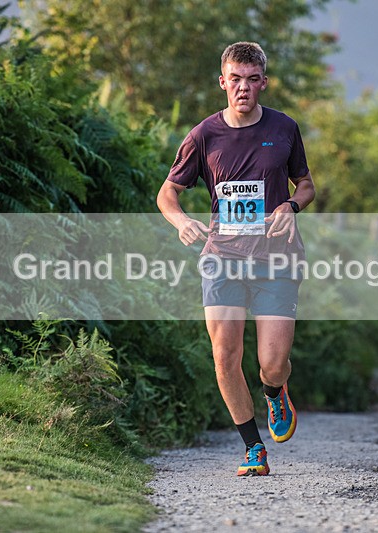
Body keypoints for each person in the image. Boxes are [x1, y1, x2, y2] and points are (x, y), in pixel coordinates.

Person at [156, 41, 315, 476]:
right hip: (222, 257)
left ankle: (274, 390)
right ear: (222, 82)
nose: (243, 88)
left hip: (276, 260)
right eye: (235, 79)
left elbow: (306, 184)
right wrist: (180, 221)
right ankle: (253, 450)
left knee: (272, 363)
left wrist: (291, 207)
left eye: (252, 79)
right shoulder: (204, 134)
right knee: (224, 356)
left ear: (263, 82)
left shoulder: (284, 128)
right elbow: (167, 193)